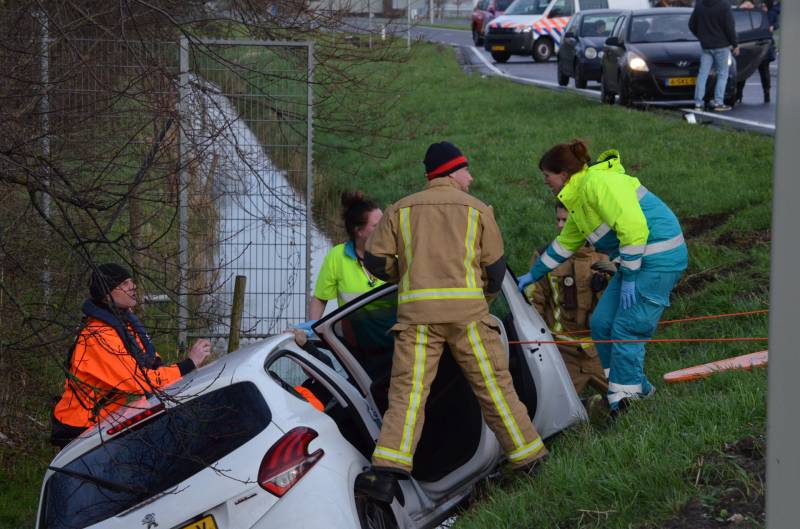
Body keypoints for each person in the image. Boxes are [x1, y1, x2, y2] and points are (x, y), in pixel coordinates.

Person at [357, 141, 547, 504]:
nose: (471, 177)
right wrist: (481, 295)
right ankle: (529, 459)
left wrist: (409, 273)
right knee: (494, 389)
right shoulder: (478, 211)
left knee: (408, 397)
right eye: (466, 170)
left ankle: (386, 474)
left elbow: (376, 262)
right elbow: (495, 269)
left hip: (417, 321)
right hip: (469, 319)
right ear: (449, 171)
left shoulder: (401, 210)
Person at [518, 141, 687, 417]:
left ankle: (627, 405)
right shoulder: (578, 197)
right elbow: (566, 244)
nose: (545, 182)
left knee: (627, 328)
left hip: (659, 259)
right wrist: (533, 274)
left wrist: (630, 276)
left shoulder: (597, 184)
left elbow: (634, 229)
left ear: (562, 174)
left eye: (547, 176)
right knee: (602, 323)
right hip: (638, 261)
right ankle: (632, 388)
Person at [51, 263, 212, 448]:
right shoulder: (98, 337)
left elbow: (149, 357)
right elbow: (141, 381)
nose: (133, 286)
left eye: (131, 281)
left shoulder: (121, 322)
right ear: (108, 294)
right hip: (80, 427)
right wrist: (188, 364)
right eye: (125, 284)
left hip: (101, 420)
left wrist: (166, 367)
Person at [524, 201, 612, 398]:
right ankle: (584, 407)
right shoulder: (546, 256)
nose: (561, 225)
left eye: (567, 220)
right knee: (556, 412)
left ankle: (597, 406)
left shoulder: (608, 254)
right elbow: (533, 302)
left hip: (601, 349)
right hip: (562, 351)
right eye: (558, 220)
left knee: (630, 400)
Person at [294, 191, 384, 334]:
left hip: (389, 338)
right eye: (376, 225)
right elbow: (320, 298)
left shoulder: (395, 253)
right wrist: (313, 327)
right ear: (358, 231)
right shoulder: (337, 256)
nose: (384, 228)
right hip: (355, 340)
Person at [689, 0, 739, 112]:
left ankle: (698, 103)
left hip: (706, 46)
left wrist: (702, 36)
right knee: (722, 74)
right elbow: (730, 27)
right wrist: (735, 44)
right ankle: (718, 102)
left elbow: (691, 25)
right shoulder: (724, 5)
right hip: (721, 46)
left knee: (702, 74)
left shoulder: (700, 4)